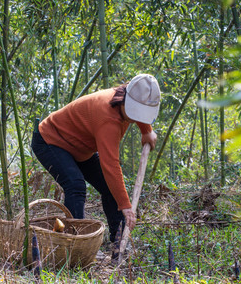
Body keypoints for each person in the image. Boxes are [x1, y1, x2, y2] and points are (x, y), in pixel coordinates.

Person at [31, 74, 161, 242]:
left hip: (79, 146)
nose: (136, 118)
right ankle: (75, 243)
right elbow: (110, 166)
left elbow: (139, 110)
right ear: (127, 101)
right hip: (50, 140)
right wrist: (126, 206)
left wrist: (146, 130)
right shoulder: (108, 119)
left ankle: (118, 243)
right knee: (75, 184)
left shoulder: (122, 98)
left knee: (111, 188)